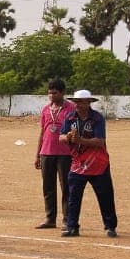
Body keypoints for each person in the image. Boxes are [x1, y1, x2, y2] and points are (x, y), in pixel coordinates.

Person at [60, 89, 117, 238]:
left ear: (89, 102)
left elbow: (100, 141)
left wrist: (80, 140)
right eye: (76, 102)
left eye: (81, 102)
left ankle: (110, 226)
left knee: (105, 196)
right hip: (78, 162)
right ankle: (72, 226)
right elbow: (60, 137)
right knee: (73, 196)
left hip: (98, 163)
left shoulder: (97, 118)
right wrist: (68, 137)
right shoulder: (70, 117)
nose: (78, 105)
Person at [36, 79, 74, 229]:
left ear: (63, 92)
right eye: (49, 92)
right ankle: (50, 218)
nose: (51, 95)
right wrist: (38, 154)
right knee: (48, 187)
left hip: (65, 153)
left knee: (66, 186)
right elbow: (42, 132)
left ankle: (67, 219)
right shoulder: (46, 109)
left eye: (55, 93)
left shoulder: (71, 109)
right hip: (47, 152)